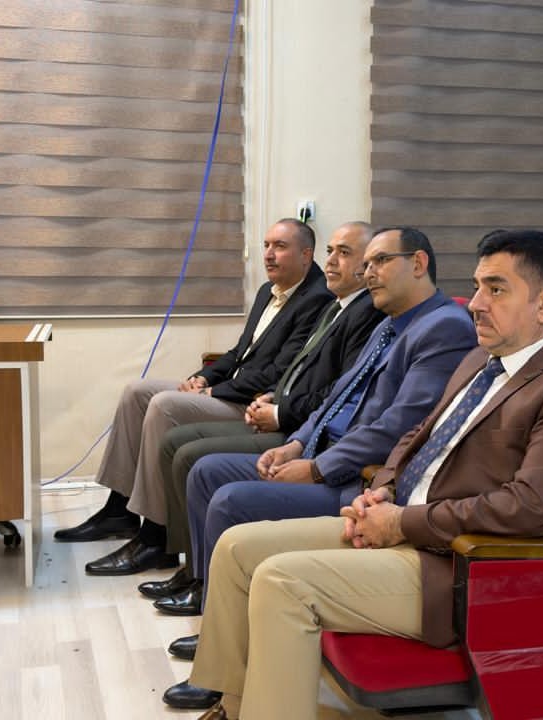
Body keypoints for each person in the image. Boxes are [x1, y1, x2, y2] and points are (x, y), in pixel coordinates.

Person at [169, 229, 543, 720]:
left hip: (459, 566)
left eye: (497, 289)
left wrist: (402, 522)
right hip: (407, 526)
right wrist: (380, 491)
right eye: (477, 287)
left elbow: (527, 508)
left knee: (283, 582)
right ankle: (235, 707)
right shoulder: (483, 358)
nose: (476, 304)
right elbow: (417, 434)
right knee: (237, 547)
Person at [159, 226, 477, 708]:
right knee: (206, 472)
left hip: (357, 478)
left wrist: (318, 467)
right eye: (366, 264)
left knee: (231, 501)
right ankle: (220, 627)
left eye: (379, 261)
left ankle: (228, 667)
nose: (368, 273)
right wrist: (296, 444)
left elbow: (398, 426)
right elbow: (336, 397)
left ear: (418, 264)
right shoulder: (389, 323)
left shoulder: (443, 328)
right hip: (323, 451)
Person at [123, 222, 385, 612]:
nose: (332, 261)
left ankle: (191, 568)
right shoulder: (333, 305)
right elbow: (258, 358)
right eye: (331, 251)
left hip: (293, 426)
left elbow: (335, 393)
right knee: (150, 408)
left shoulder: (353, 311)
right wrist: (210, 379)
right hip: (275, 408)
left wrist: (276, 409)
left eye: (344, 253)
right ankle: (178, 557)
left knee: (186, 449)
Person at [53, 219, 332, 573]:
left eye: (279, 246)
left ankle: (156, 535)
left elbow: (279, 372)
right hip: (230, 388)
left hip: (253, 403)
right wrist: (202, 376)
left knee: (164, 405)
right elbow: (240, 353)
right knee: (136, 392)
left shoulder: (317, 299)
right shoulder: (268, 291)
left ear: (306, 254)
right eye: (266, 245)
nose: (268, 255)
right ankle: (118, 510)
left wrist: (213, 390)